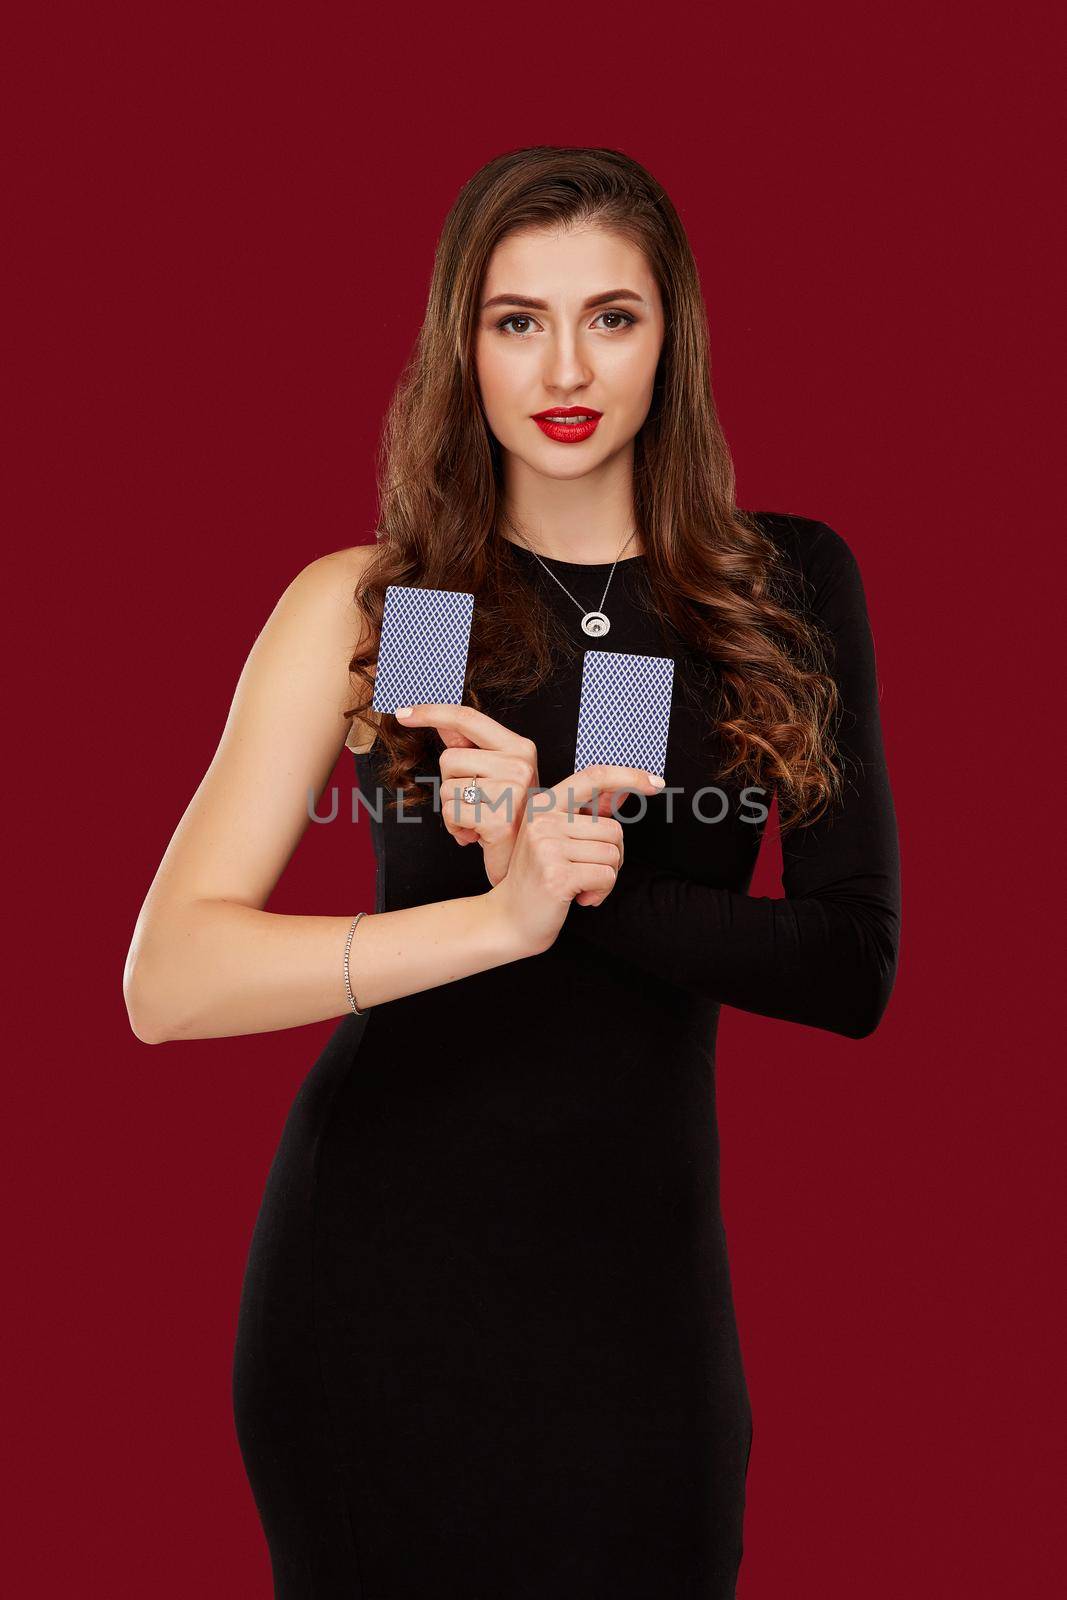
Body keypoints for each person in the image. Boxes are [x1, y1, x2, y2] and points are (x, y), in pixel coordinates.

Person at [123, 145, 901, 1598]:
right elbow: (168, 982)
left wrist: (584, 886)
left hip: (642, 1319)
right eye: (515, 318)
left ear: (672, 339)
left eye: (611, 315)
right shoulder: (409, 607)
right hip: (374, 1299)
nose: (566, 363)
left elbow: (852, 966)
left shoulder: (767, 586)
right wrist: (498, 917)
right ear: (459, 345)